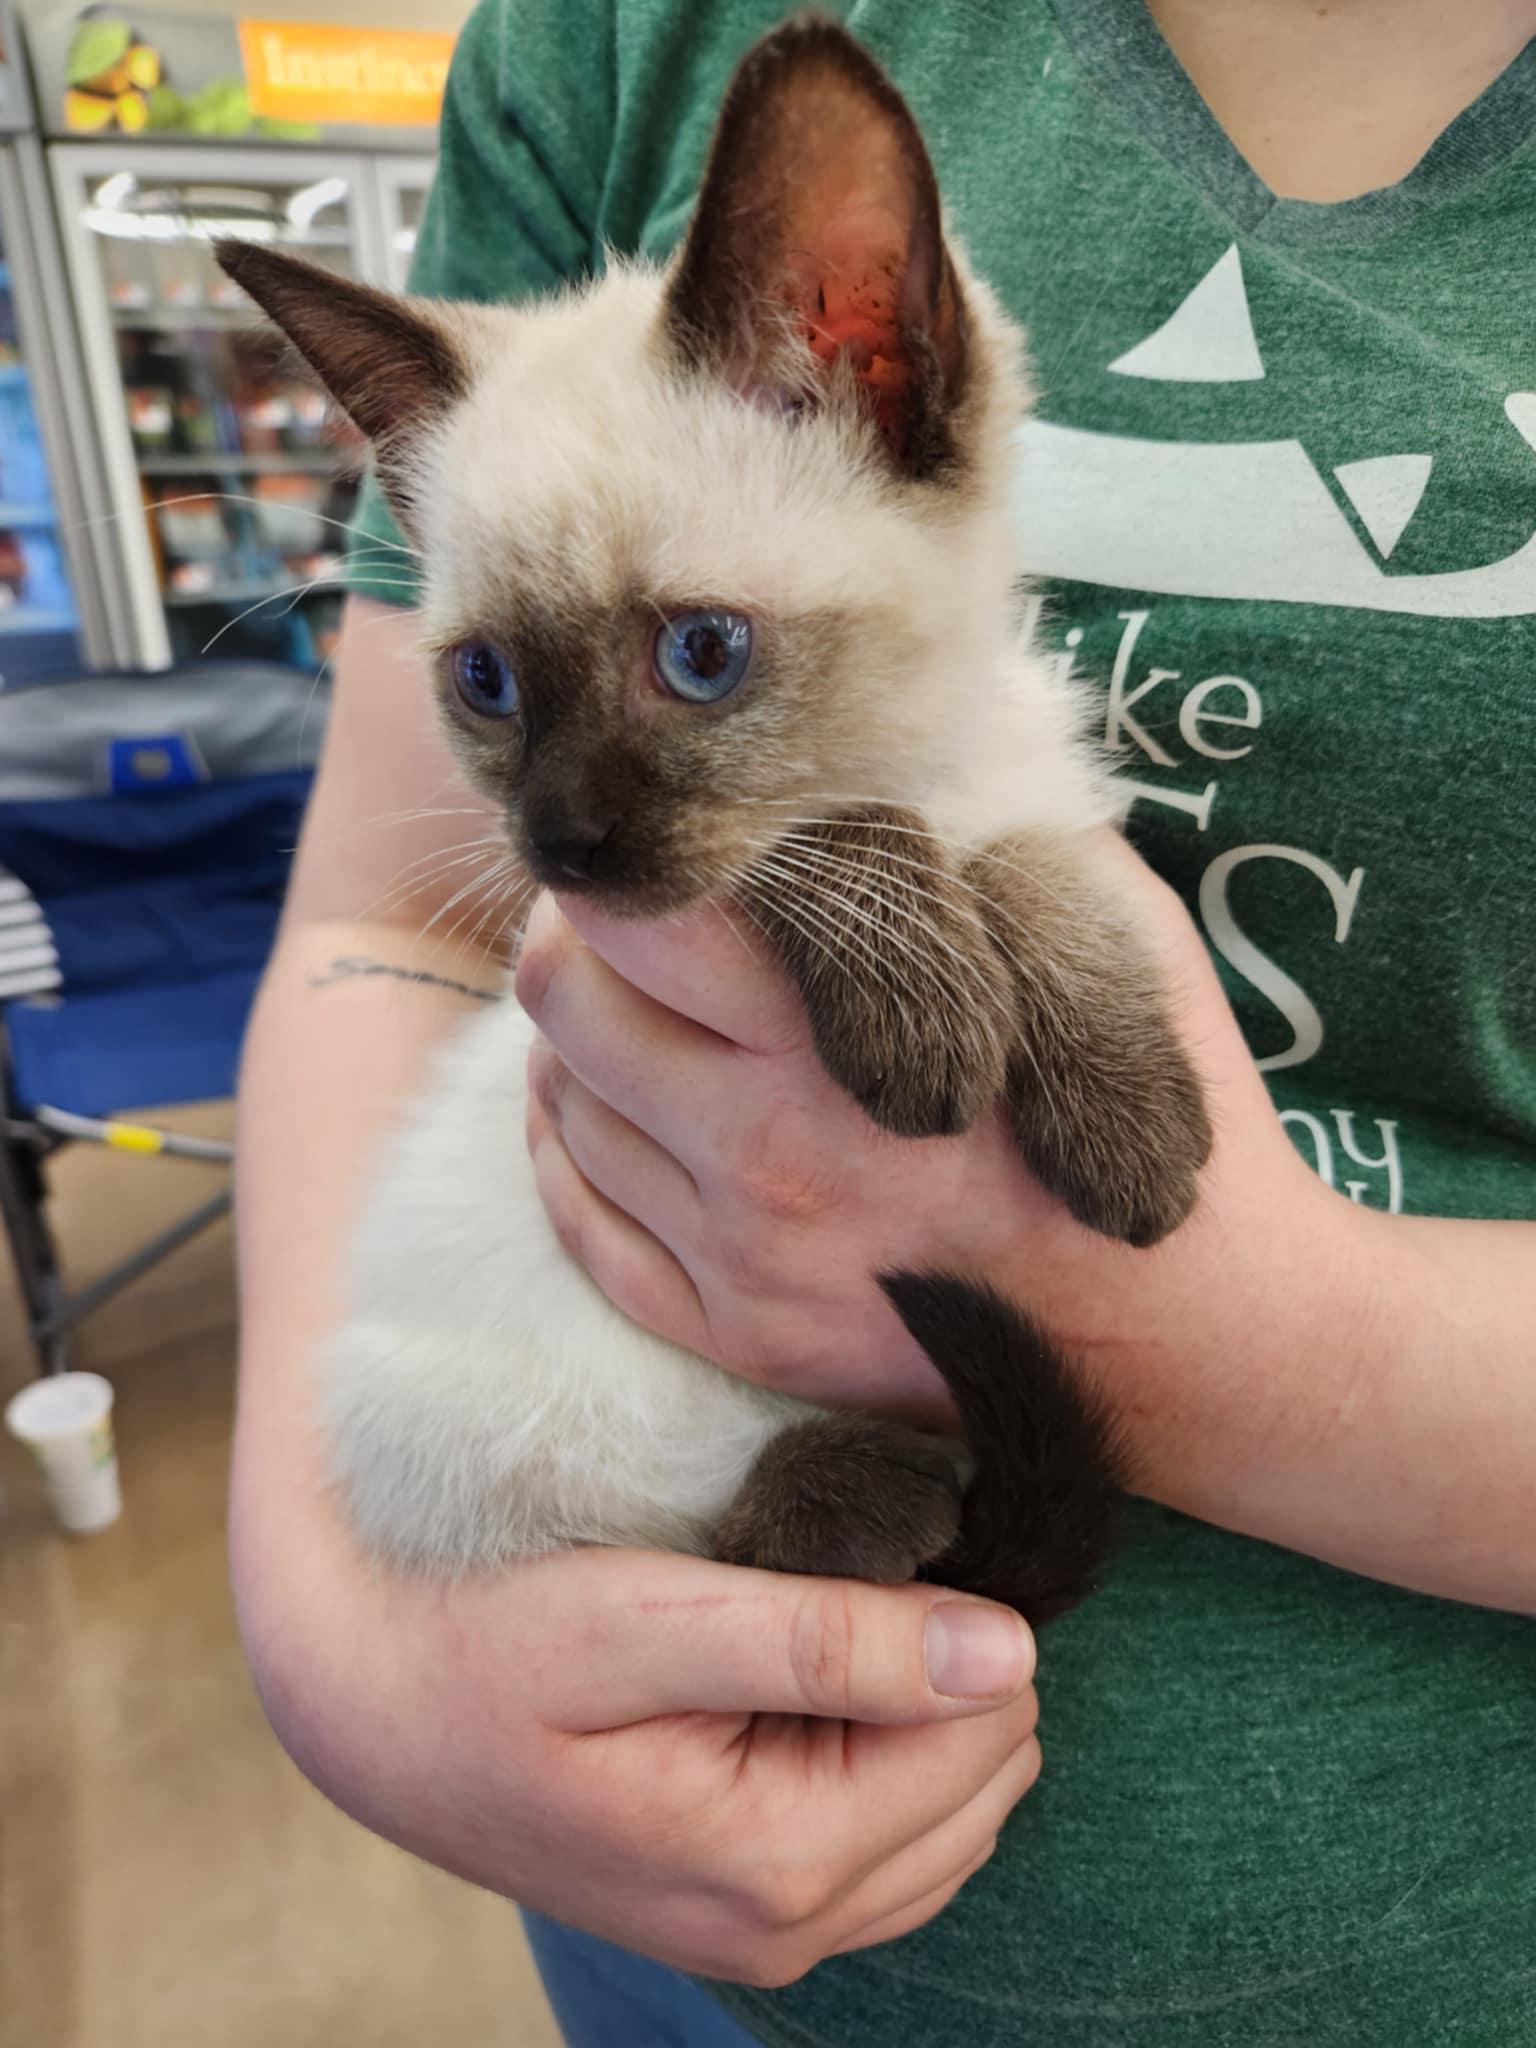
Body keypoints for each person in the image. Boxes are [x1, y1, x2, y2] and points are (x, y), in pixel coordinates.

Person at [232, 1, 1536, 2042]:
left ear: (874, 360)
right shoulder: (611, 38)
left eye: (696, 655)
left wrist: (1236, 1345)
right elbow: (402, 903)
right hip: (656, 1925)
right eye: (499, 692)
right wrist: (340, 1655)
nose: (568, 820)